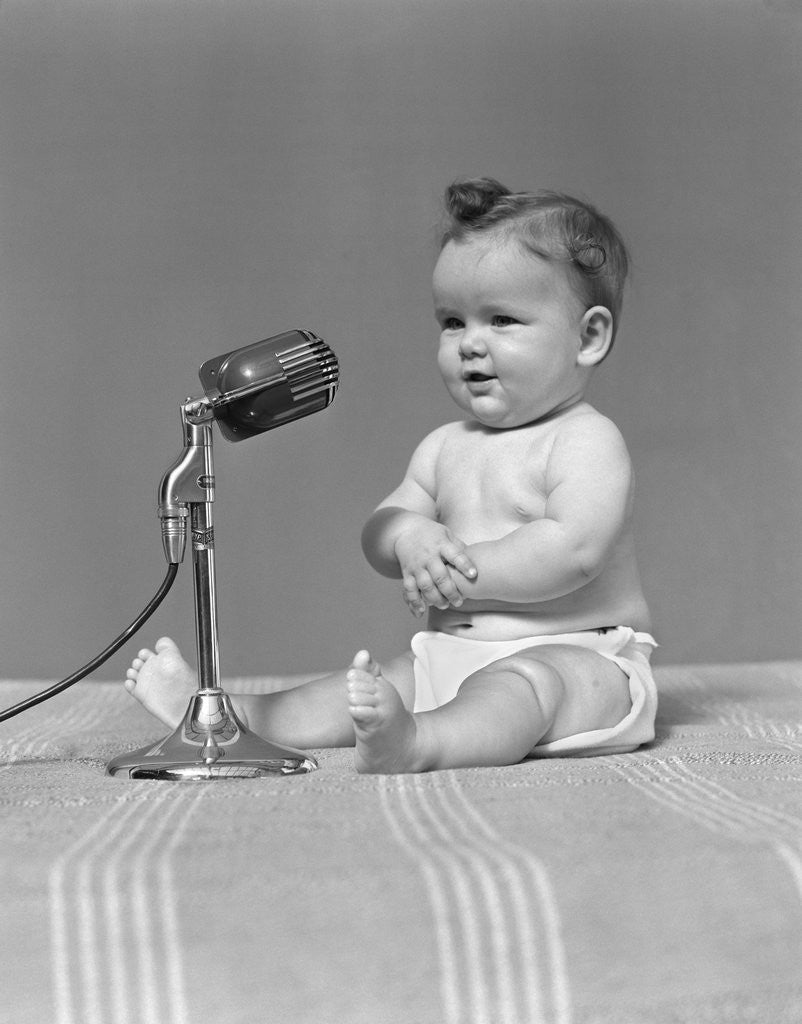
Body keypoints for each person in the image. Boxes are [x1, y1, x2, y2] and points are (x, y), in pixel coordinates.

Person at [124, 177, 657, 774]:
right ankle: (230, 716)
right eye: (453, 322)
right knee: (355, 687)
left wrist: (458, 573)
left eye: (502, 320)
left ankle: (421, 743)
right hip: (448, 654)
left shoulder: (585, 439)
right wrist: (409, 538)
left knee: (523, 686)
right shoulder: (444, 446)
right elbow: (381, 527)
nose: (470, 344)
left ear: (589, 336)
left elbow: (573, 550)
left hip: (578, 661)